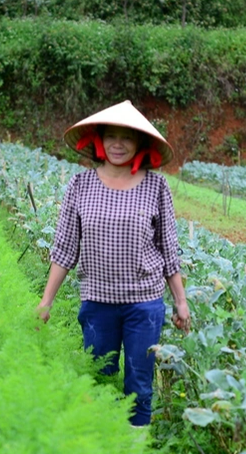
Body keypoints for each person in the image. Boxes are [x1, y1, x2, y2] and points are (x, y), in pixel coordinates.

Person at [36, 100, 190, 428]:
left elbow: (168, 249)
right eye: (111, 136)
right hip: (97, 304)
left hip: (143, 304)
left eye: (127, 138)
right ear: (98, 140)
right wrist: (45, 302)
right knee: (99, 382)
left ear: (140, 145)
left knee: (138, 387)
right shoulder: (80, 185)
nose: (118, 144)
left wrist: (180, 301)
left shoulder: (156, 186)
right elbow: (64, 249)